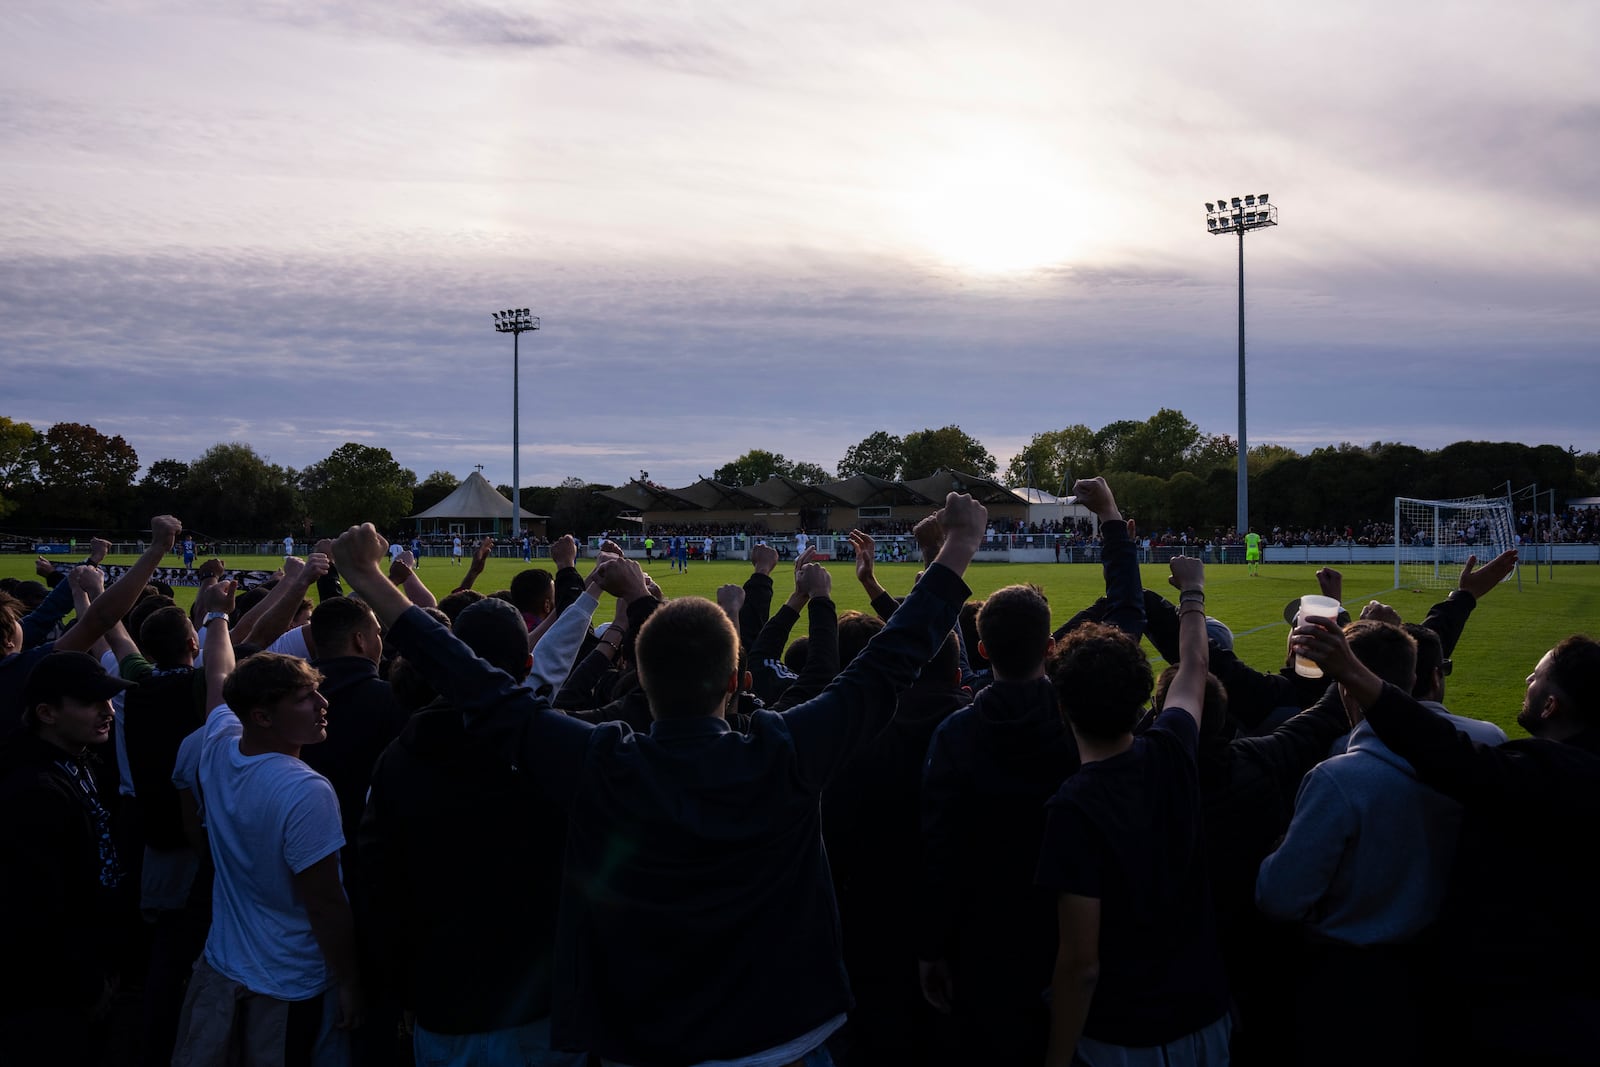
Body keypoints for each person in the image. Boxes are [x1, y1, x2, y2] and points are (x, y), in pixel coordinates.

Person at [331, 494, 987, 1067]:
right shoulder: (783, 750)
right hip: (782, 1035)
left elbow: (485, 694)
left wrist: (371, 581)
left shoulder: (603, 760)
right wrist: (957, 543)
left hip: (642, 1041)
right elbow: (890, 660)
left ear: (640, 681)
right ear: (734, 682)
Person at [1292, 621, 1600, 1066]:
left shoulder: (1554, 777)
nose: (1527, 681)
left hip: (1530, 1007)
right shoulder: (1557, 760)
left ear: (1551, 706)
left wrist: (1354, 673)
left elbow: (1447, 753)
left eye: (1536, 677)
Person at [1256, 620, 1504, 1065]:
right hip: (1458, 968)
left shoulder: (1338, 776)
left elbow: (1280, 897)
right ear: (1417, 679)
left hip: (1353, 986)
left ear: (1344, 687)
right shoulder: (1489, 742)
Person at [1040, 556, 1230, 1066]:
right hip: (1207, 1019)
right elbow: (1195, 666)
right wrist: (1192, 591)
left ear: (1061, 706)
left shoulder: (1073, 808)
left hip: (1124, 1037)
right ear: (1145, 697)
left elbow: (1080, 964)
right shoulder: (1172, 748)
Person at [172, 581, 360, 1067]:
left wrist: (216, 615)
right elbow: (325, 902)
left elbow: (219, 673)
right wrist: (351, 981)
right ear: (262, 715)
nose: (323, 706)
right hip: (290, 984)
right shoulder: (305, 790)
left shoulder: (219, 742)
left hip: (223, 964)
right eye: (304, 699)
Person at [0, 651, 136, 1066]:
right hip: (50, 993)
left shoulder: (76, 760)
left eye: (109, 700)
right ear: (47, 713)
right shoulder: (31, 790)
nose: (107, 711)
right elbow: (37, 908)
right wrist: (86, 982)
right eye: (91, 702)